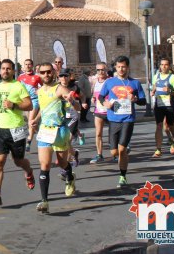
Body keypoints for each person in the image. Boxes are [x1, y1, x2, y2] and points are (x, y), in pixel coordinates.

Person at [0, 59, 35, 206]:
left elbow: (29, 105)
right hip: (0, 129)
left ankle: (29, 171)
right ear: (0, 71)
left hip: (16, 129)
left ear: (13, 71)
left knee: (18, 161)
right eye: (3, 69)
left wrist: (14, 105)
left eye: (8, 69)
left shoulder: (18, 86)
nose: (5, 71)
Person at [35, 62, 81, 213]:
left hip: (60, 131)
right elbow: (44, 107)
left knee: (62, 163)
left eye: (49, 72)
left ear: (53, 73)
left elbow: (77, 107)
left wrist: (72, 101)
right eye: (43, 72)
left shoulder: (60, 88)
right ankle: (44, 201)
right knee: (45, 165)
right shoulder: (40, 91)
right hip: (45, 131)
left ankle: (70, 176)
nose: (46, 75)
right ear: (40, 74)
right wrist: (35, 119)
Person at [99, 55, 146, 188]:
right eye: (118, 67)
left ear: (128, 67)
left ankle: (122, 176)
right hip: (113, 119)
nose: (121, 69)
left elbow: (143, 101)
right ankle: (124, 150)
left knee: (121, 150)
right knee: (113, 152)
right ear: (115, 67)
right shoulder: (109, 82)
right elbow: (101, 96)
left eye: (123, 67)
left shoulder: (134, 83)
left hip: (128, 119)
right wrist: (105, 103)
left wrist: (135, 98)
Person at [150, 58, 174, 157]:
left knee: (170, 125)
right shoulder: (156, 76)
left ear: (169, 66)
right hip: (159, 105)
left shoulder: (172, 77)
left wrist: (170, 91)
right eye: (162, 65)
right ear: (159, 66)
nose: (164, 66)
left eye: (166, 65)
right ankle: (158, 149)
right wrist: (153, 91)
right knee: (159, 126)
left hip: (169, 105)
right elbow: (155, 85)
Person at [17, 58, 42, 152]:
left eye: (29, 64)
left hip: (34, 100)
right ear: (24, 66)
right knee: (31, 123)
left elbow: (44, 87)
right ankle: (41, 133)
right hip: (24, 101)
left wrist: (38, 91)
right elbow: (17, 88)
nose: (27, 66)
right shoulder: (20, 77)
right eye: (26, 64)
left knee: (30, 122)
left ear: (32, 65)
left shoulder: (37, 77)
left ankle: (29, 141)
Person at [89, 62, 109, 164]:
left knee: (114, 134)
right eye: (98, 70)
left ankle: (117, 154)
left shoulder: (110, 81)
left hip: (110, 111)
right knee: (98, 134)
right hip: (98, 111)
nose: (101, 72)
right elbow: (94, 94)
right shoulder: (95, 82)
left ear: (106, 70)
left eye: (102, 70)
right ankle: (99, 154)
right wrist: (93, 98)